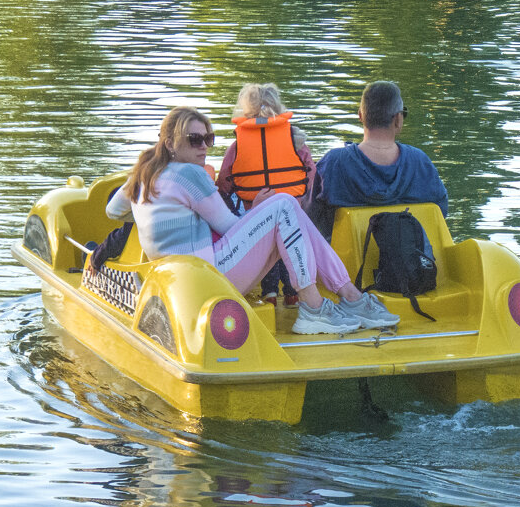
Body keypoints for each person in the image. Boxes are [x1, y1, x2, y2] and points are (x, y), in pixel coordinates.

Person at [106, 106, 399, 335]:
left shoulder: (142, 175)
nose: (204, 147)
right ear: (170, 143)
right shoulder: (190, 174)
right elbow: (229, 227)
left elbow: (113, 211)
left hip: (182, 280)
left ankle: (346, 294)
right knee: (283, 204)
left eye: (209, 138)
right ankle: (317, 305)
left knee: (287, 212)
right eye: (194, 140)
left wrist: (157, 210)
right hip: (208, 275)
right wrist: (255, 210)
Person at [216, 83, 317, 309]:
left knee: (266, 248)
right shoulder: (296, 140)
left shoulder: (238, 145)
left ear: (245, 112)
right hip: (293, 209)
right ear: (278, 107)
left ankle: (270, 293)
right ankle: (292, 294)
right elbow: (310, 174)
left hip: (256, 210)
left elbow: (225, 181)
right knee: (288, 246)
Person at [312, 81, 448, 236]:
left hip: (342, 258)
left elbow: (311, 217)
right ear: (398, 119)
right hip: (411, 258)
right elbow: (439, 215)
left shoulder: (333, 163)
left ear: (361, 116)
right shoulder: (421, 163)